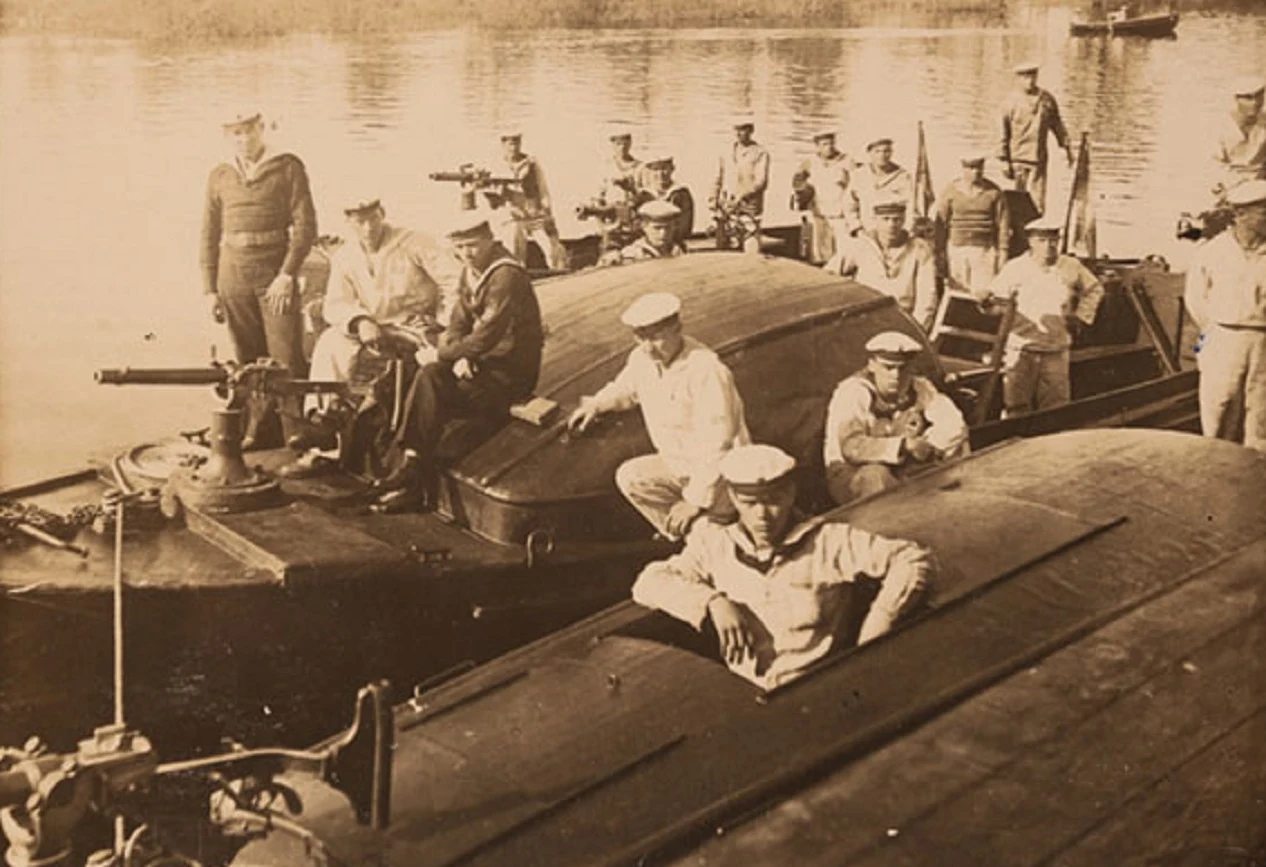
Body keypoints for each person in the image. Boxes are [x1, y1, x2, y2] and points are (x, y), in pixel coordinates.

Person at [631, 444, 933, 690]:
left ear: (790, 493)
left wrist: (876, 631)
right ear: (733, 498)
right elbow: (648, 582)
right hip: (746, 696)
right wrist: (712, 602)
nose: (762, 515)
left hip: (818, 691)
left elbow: (911, 558)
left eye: (773, 500)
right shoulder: (715, 545)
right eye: (749, 503)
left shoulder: (828, 542)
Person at [373, 216, 544, 512]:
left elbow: (487, 335)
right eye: (461, 247)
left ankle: (412, 479)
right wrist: (461, 355)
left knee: (433, 382)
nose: (467, 253)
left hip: (510, 375)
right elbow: (457, 324)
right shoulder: (472, 271)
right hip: (484, 363)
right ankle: (411, 464)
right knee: (430, 375)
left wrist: (445, 354)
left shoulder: (505, 275)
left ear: (489, 239)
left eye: (473, 245)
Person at [280, 197, 458, 477]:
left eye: (373, 218)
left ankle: (394, 449)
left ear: (382, 214)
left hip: (416, 327)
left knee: (416, 364)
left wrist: (442, 321)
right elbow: (335, 304)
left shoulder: (414, 243)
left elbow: (454, 281)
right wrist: (360, 320)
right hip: (376, 327)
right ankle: (325, 428)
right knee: (330, 343)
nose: (368, 227)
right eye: (359, 221)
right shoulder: (346, 256)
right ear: (348, 222)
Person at [567, 292, 750, 540]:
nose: (648, 347)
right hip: (680, 467)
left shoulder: (706, 370)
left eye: (655, 337)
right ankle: (689, 536)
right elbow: (625, 388)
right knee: (632, 477)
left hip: (724, 478)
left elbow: (718, 446)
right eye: (640, 337)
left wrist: (694, 501)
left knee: (705, 522)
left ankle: (711, 537)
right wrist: (596, 404)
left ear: (677, 329)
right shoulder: (643, 359)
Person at [200, 110, 317, 447]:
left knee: (284, 357)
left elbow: (306, 228)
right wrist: (209, 290)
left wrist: (287, 275)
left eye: (249, 131)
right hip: (232, 275)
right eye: (235, 133)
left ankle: (294, 434)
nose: (243, 139)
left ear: (261, 129)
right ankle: (260, 432)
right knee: (247, 359)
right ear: (227, 136)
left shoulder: (288, 167)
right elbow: (208, 234)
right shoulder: (220, 175)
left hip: (273, 276)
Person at [976, 214, 1104, 417]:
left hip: (1056, 350)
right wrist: (985, 303)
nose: (1048, 246)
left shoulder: (1071, 266)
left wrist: (1081, 316)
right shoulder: (1015, 268)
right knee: (1016, 407)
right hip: (1021, 349)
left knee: (1056, 408)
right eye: (1042, 240)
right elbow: (997, 306)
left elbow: (1095, 289)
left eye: (1053, 240)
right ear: (1031, 242)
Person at [823, 331, 969, 504]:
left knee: (958, 450)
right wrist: (904, 445)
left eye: (903, 368)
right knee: (875, 476)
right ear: (872, 365)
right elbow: (851, 447)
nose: (896, 376)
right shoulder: (853, 392)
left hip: (900, 467)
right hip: (851, 473)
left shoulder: (919, 387)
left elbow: (955, 424)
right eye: (888, 368)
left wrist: (929, 445)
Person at [1184, 179, 1266, 452]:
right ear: (1241, 214)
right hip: (1223, 337)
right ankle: (1215, 465)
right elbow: (1196, 298)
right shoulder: (1213, 251)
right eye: (1263, 212)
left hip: (1263, 341)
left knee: (1260, 417)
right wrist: (1214, 332)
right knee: (1219, 408)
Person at [824, 201, 939, 330]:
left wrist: (915, 330)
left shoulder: (919, 249)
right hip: (864, 318)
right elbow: (827, 275)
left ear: (904, 220)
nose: (891, 225)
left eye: (897, 219)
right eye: (885, 219)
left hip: (901, 320)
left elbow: (927, 298)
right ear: (876, 220)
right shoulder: (861, 245)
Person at [998, 61, 1074, 215]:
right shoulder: (1009, 102)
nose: (1030, 81)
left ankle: (1037, 224)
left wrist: (1067, 148)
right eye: (1025, 77)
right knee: (1018, 200)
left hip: (1038, 158)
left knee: (1038, 202)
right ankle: (1018, 228)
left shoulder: (1046, 99)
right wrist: (1003, 160)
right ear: (1018, 79)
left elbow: (1057, 124)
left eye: (1033, 76)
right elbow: (1002, 133)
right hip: (1018, 159)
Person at [486, 131, 568, 271]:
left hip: (533, 213)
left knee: (551, 248)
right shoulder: (496, 166)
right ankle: (518, 275)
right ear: (503, 145)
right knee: (515, 251)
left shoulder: (531, 163)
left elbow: (543, 189)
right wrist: (499, 195)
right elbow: (491, 199)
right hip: (512, 216)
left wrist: (548, 212)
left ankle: (559, 271)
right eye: (510, 144)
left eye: (517, 143)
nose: (514, 148)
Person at [935, 153, 1012, 292]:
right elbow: (941, 224)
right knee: (958, 291)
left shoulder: (994, 192)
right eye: (971, 168)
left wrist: (1003, 253)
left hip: (984, 251)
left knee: (984, 292)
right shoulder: (950, 191)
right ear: (963, 169)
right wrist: (940, 252)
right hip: (957, 250)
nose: (976, 172)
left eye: (979, 168)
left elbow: (1003, 225)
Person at [792, 130, 853, 265]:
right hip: (818, 213)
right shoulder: (809, 162)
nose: (829, 147)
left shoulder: (847, 161)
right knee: (819, 252)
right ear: (817, 146)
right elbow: (797, 181)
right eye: (825, 144)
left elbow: (857, 185)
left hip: (840, 213)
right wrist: (803, 193)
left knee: (844, 251)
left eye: (831, 143)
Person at [710, 119, 770, 253]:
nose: (738, 133)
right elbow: (717, 177)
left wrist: (741, 195)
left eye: (742, 129)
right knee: (723, 246)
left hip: (748, 207)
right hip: (726, 206)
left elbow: (761, 182)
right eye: (736, 129)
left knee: (751, 242)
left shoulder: (760, 153)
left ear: (751, 131)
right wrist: (712, 199)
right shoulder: (726, 151)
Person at [589, 125, 646, 253]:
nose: (622, 148)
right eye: (618, 144)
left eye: (625, 143)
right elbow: (597, 197)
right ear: (613, 145)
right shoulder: (606, 167)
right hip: (611, 217)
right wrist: (601, 224)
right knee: (609, 249)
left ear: (630, 144)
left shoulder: (640, 167)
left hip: (633, 217)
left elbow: (645, 195)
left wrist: (630, 188)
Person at [846, 134, 916, 236]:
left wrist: (907, 230)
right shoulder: (859, 175)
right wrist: (856, 227)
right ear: (869, 153)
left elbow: (911, 205)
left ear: (891, 153)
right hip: (867, 231)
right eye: (877, 151)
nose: (882, 155)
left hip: (894, 231)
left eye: (886, 151)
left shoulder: (903, 176)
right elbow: (849, 203)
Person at [1212, 77, 1266, 198]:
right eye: (1248, 98)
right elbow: (1213, 165)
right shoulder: (1221, 126)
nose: (1255, 102)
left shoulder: (1264, 122)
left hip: (1260, 182)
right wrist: (1225, 186)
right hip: (1229, 184)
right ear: (1237, 99)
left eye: (1259, 95)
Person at [598, 200, 688, 265]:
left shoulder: (679, 251)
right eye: (657, 228)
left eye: (668, 228)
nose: (663, 233)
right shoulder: (631, 255)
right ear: (644, 226)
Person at [640, 154, 695, 243]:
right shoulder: (643, 195)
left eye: (664, 168)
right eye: (655, 169)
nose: (660, 174)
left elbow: (686, 223)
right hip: (648, 243)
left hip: (675, 243)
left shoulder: (681, 193)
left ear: (672, 169)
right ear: (649, 171)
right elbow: (638, 224)